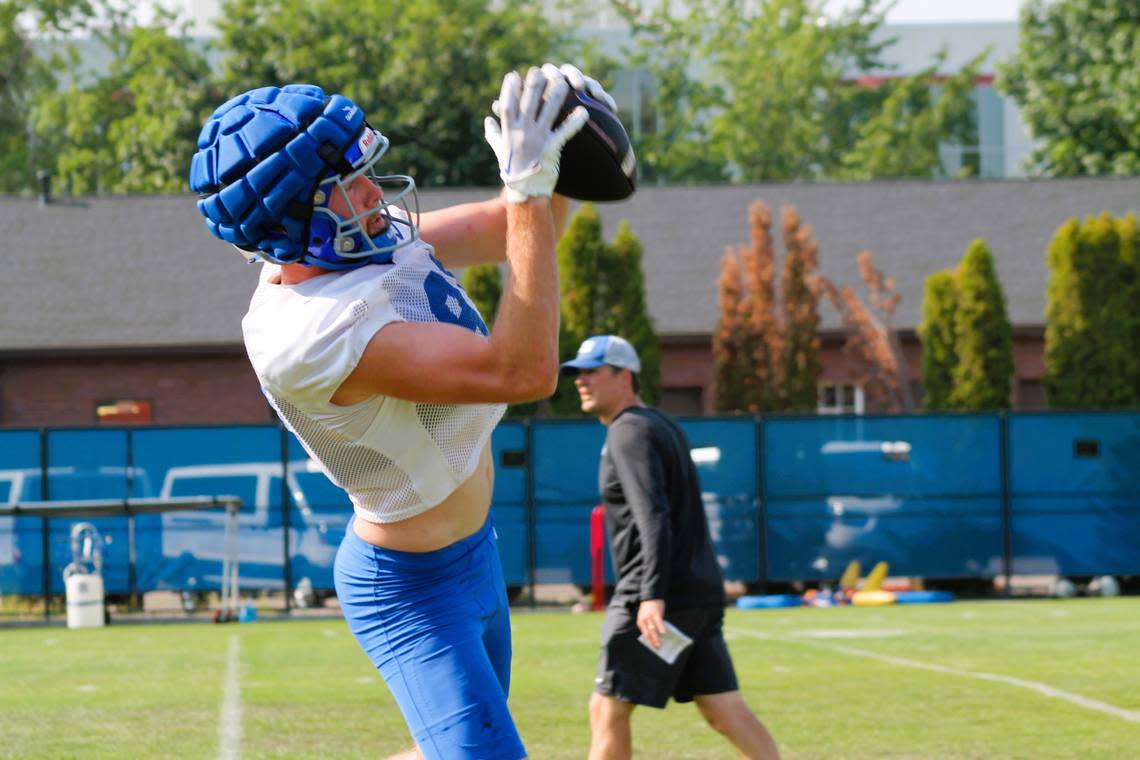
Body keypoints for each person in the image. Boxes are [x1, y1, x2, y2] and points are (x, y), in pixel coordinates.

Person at [189, 64, 615, 760]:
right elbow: (525, 372)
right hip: (410, 589)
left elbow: (514, 228)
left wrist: (561, 144)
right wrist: (532, 191)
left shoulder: (351, 238)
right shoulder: (310, 332)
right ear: (293, 223)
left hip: (475, 552)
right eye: (347, 183)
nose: (371, 192)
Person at [562, 335, 781, 760]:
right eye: (577, 373)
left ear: (624, 376)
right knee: (722, 707)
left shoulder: (628, 431)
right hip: (696, 593)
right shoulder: (661, 425)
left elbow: (653, 515)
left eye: (592, 371)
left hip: (659, 596)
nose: (581, 382)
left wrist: (651, 595)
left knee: (606, 709)